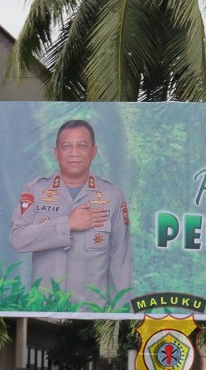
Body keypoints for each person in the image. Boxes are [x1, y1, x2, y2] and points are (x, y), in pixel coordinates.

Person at [9, 117, 133, 307]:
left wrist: (121, 314)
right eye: (66, 146)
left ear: (94, 151)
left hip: (92, 313)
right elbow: (17, 238)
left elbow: (120, 260)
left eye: (82, 145)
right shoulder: (36, 190)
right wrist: (68, 224)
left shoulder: (112, 195)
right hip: (43, 311)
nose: (74, 153)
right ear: (56, 152)